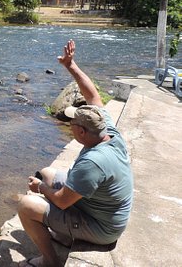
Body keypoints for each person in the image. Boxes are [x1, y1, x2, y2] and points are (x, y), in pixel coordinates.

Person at [17, 39, 133, 267]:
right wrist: (71, 66)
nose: (68, 124)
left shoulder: (93, 161)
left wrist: (39, 188)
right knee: (48, 172)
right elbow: (92, 96)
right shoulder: (107, 129)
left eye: (71, 122)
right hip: (101, 211)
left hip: (102, 228)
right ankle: (63, 230)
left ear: (80, 131)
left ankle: (50, 261)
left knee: (27, 204)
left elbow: (61, 201)